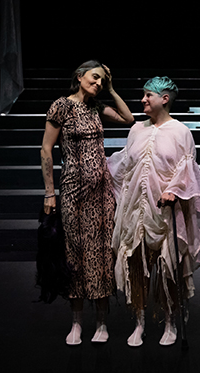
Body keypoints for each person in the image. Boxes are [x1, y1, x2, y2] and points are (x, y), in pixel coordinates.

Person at [107, 76, 200, 346]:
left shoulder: (180, 132)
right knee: (136, 265)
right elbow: (125, 165)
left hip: (166, 211)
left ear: (164, 99)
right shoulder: (137, 130)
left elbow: (186, 170)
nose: (142, 100)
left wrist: (173, 191)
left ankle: (170, 321)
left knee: (168, 267)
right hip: (136, 211)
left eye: (147, 96)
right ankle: (139, 323)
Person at [41, 60, 134, 345]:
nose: (98, 84)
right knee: (75, 254)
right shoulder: (62, 106)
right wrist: (49, 192)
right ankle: (77, 322)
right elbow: (46, 149)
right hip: (72, 189)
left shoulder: (96, 108)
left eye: (102, 81)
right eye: (95, 78)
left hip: (102, 192)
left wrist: (112, 88)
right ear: (79, 76)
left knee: (103, 254)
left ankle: (103, 323)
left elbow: (128, 119)